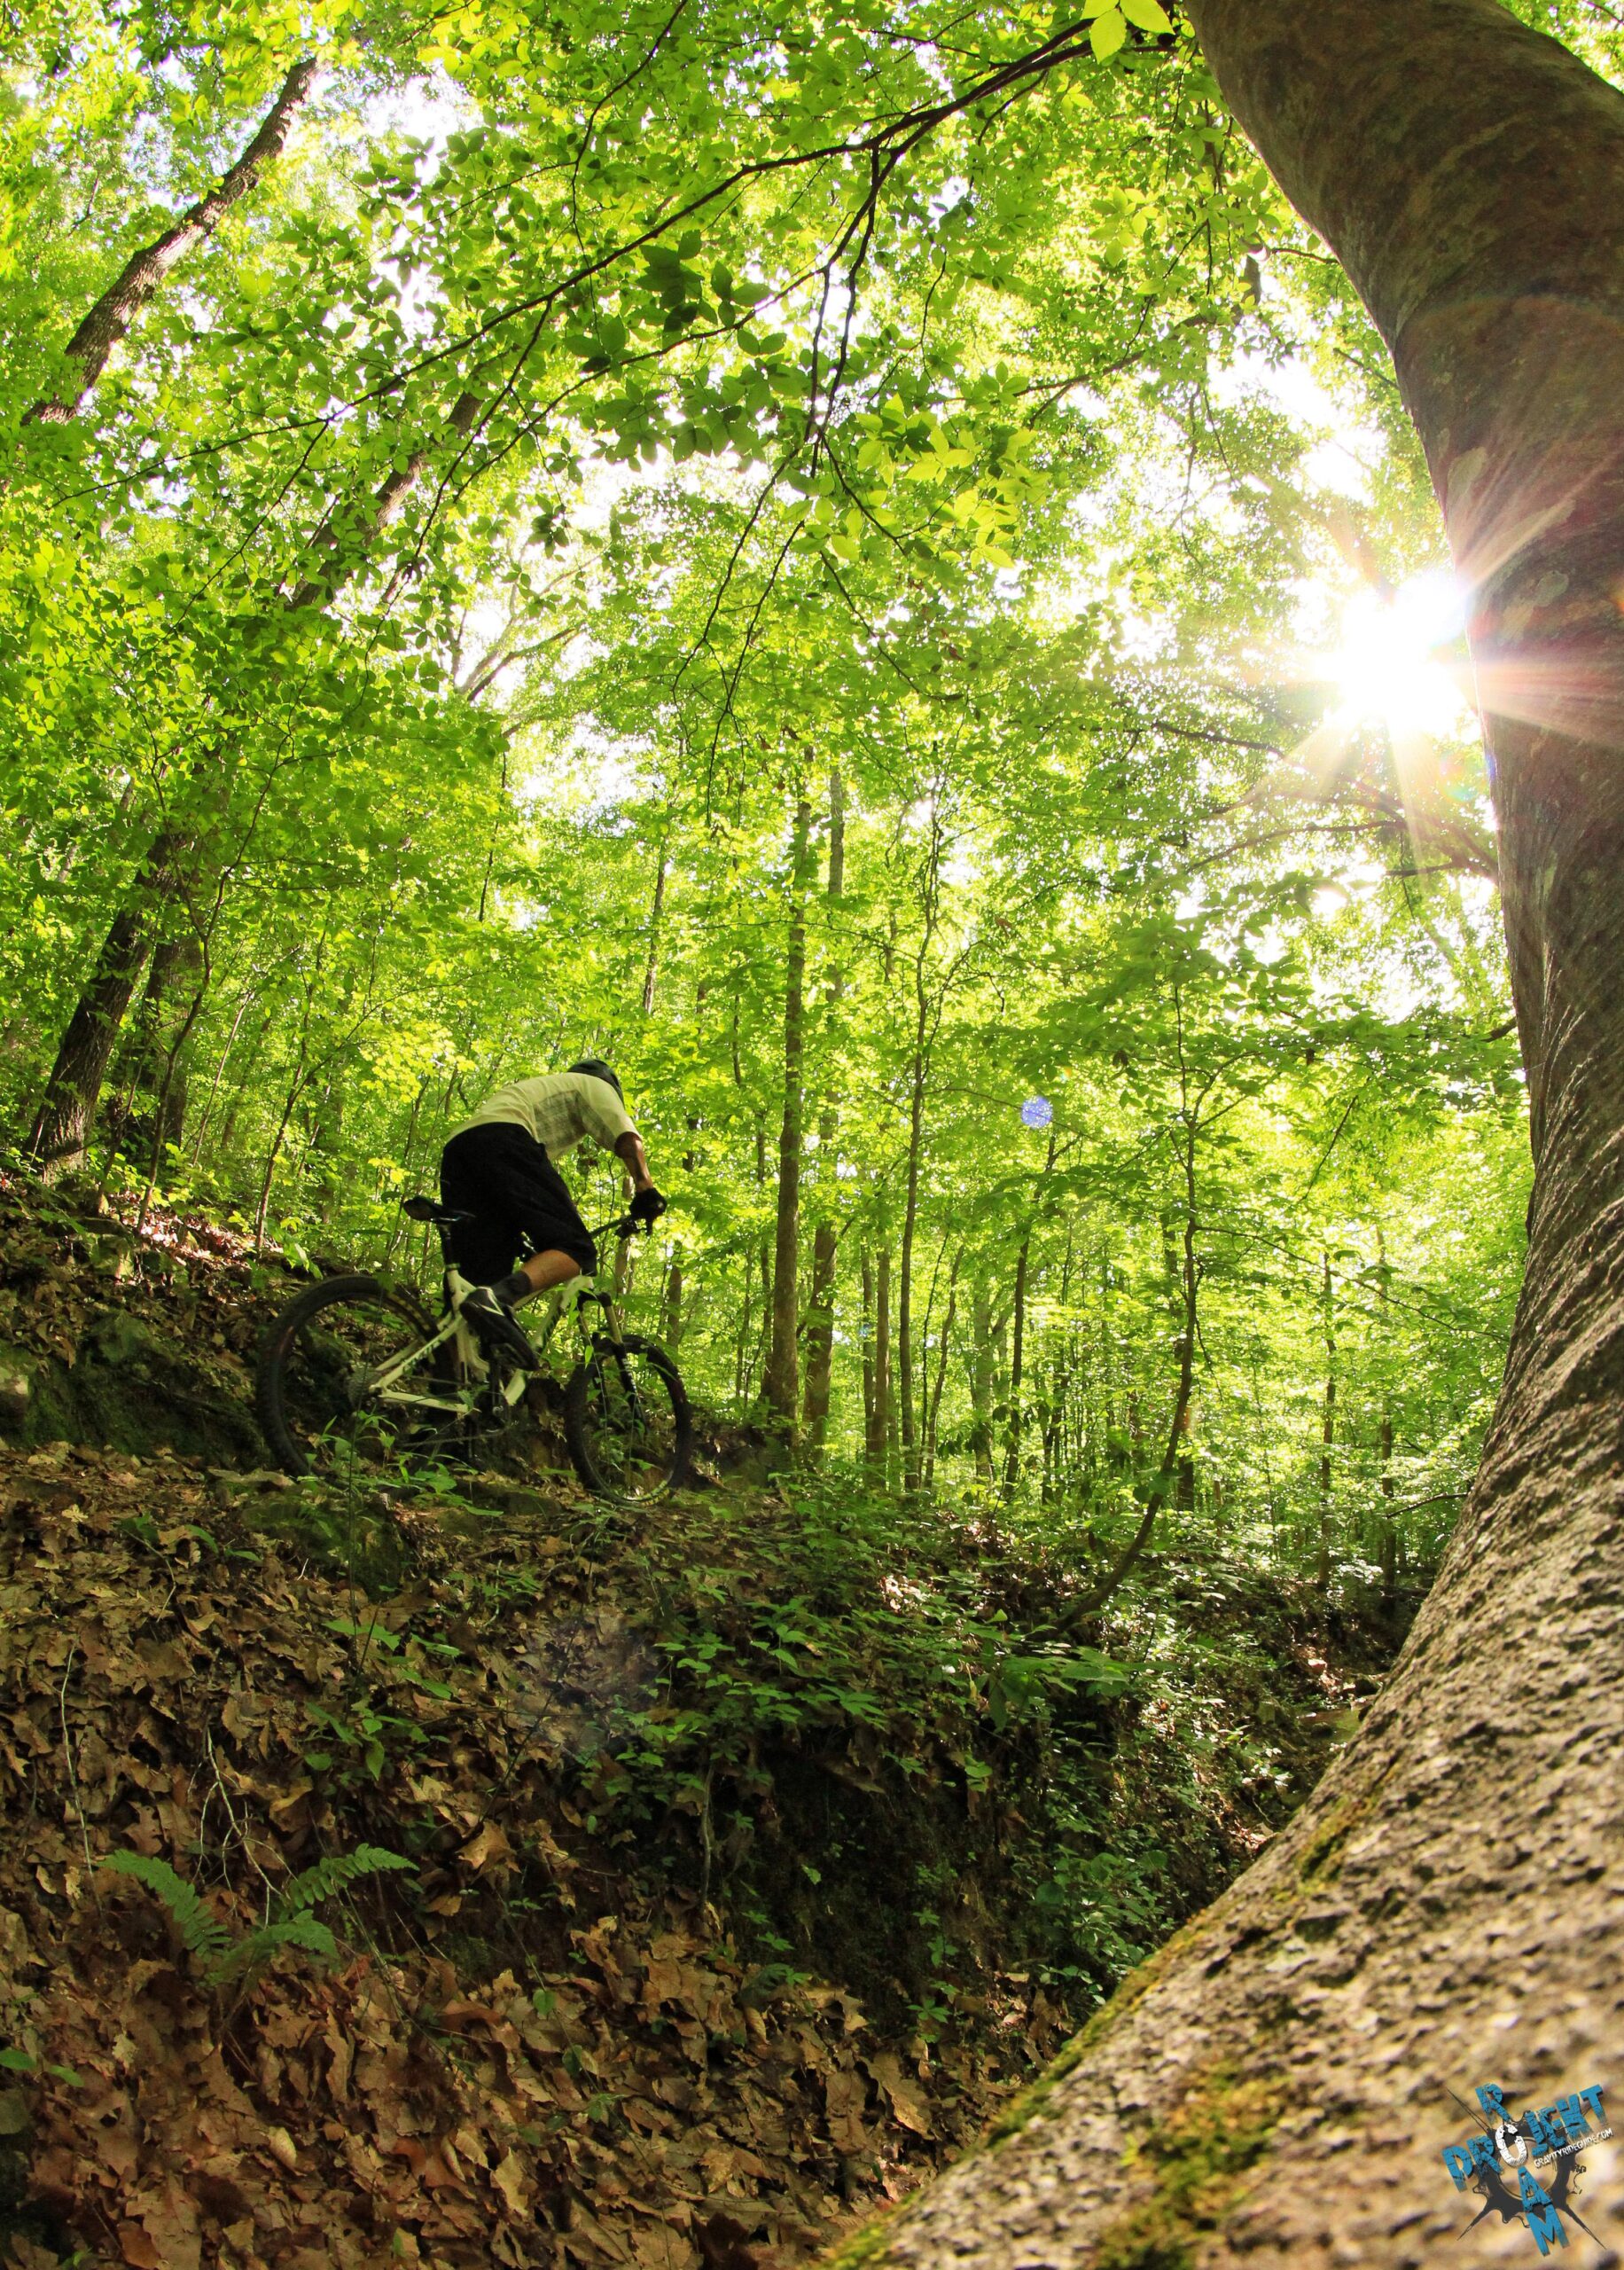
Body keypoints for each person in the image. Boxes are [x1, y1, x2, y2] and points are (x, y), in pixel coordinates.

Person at [438, 1059, 666, 1364]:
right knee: (576, 1250)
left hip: (459, 1149)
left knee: (478, 1282)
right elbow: (627, 1139)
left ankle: (443, 1373)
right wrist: (646, 1189)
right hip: (505, 1139)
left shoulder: (538, 1093)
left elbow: (511, 1185)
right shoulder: (595, 1086)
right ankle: (501, 1297)